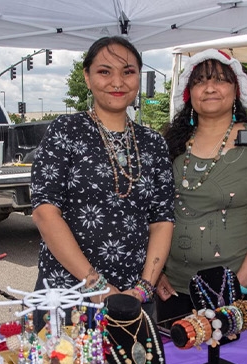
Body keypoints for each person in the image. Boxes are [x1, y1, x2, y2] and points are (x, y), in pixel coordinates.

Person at [29, 36, 174, 306]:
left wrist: (144, 287)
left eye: (128, 72)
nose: (117, 82)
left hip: (135, 298)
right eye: (104, 72)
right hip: (70, 294)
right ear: (87, 77)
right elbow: (45, 212)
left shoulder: (153, 143)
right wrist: (96, 285)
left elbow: (162, 221)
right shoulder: (66, 130)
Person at [156, 50, 247, 318]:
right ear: (189, 92)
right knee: (180, 358)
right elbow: (152, 213)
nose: (210, 88)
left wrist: (240, 282)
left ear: (236, 89)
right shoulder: (169, 143)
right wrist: (155, 273)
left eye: (220, 80)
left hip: (237, 287)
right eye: (200, 81)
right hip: (174, 288)